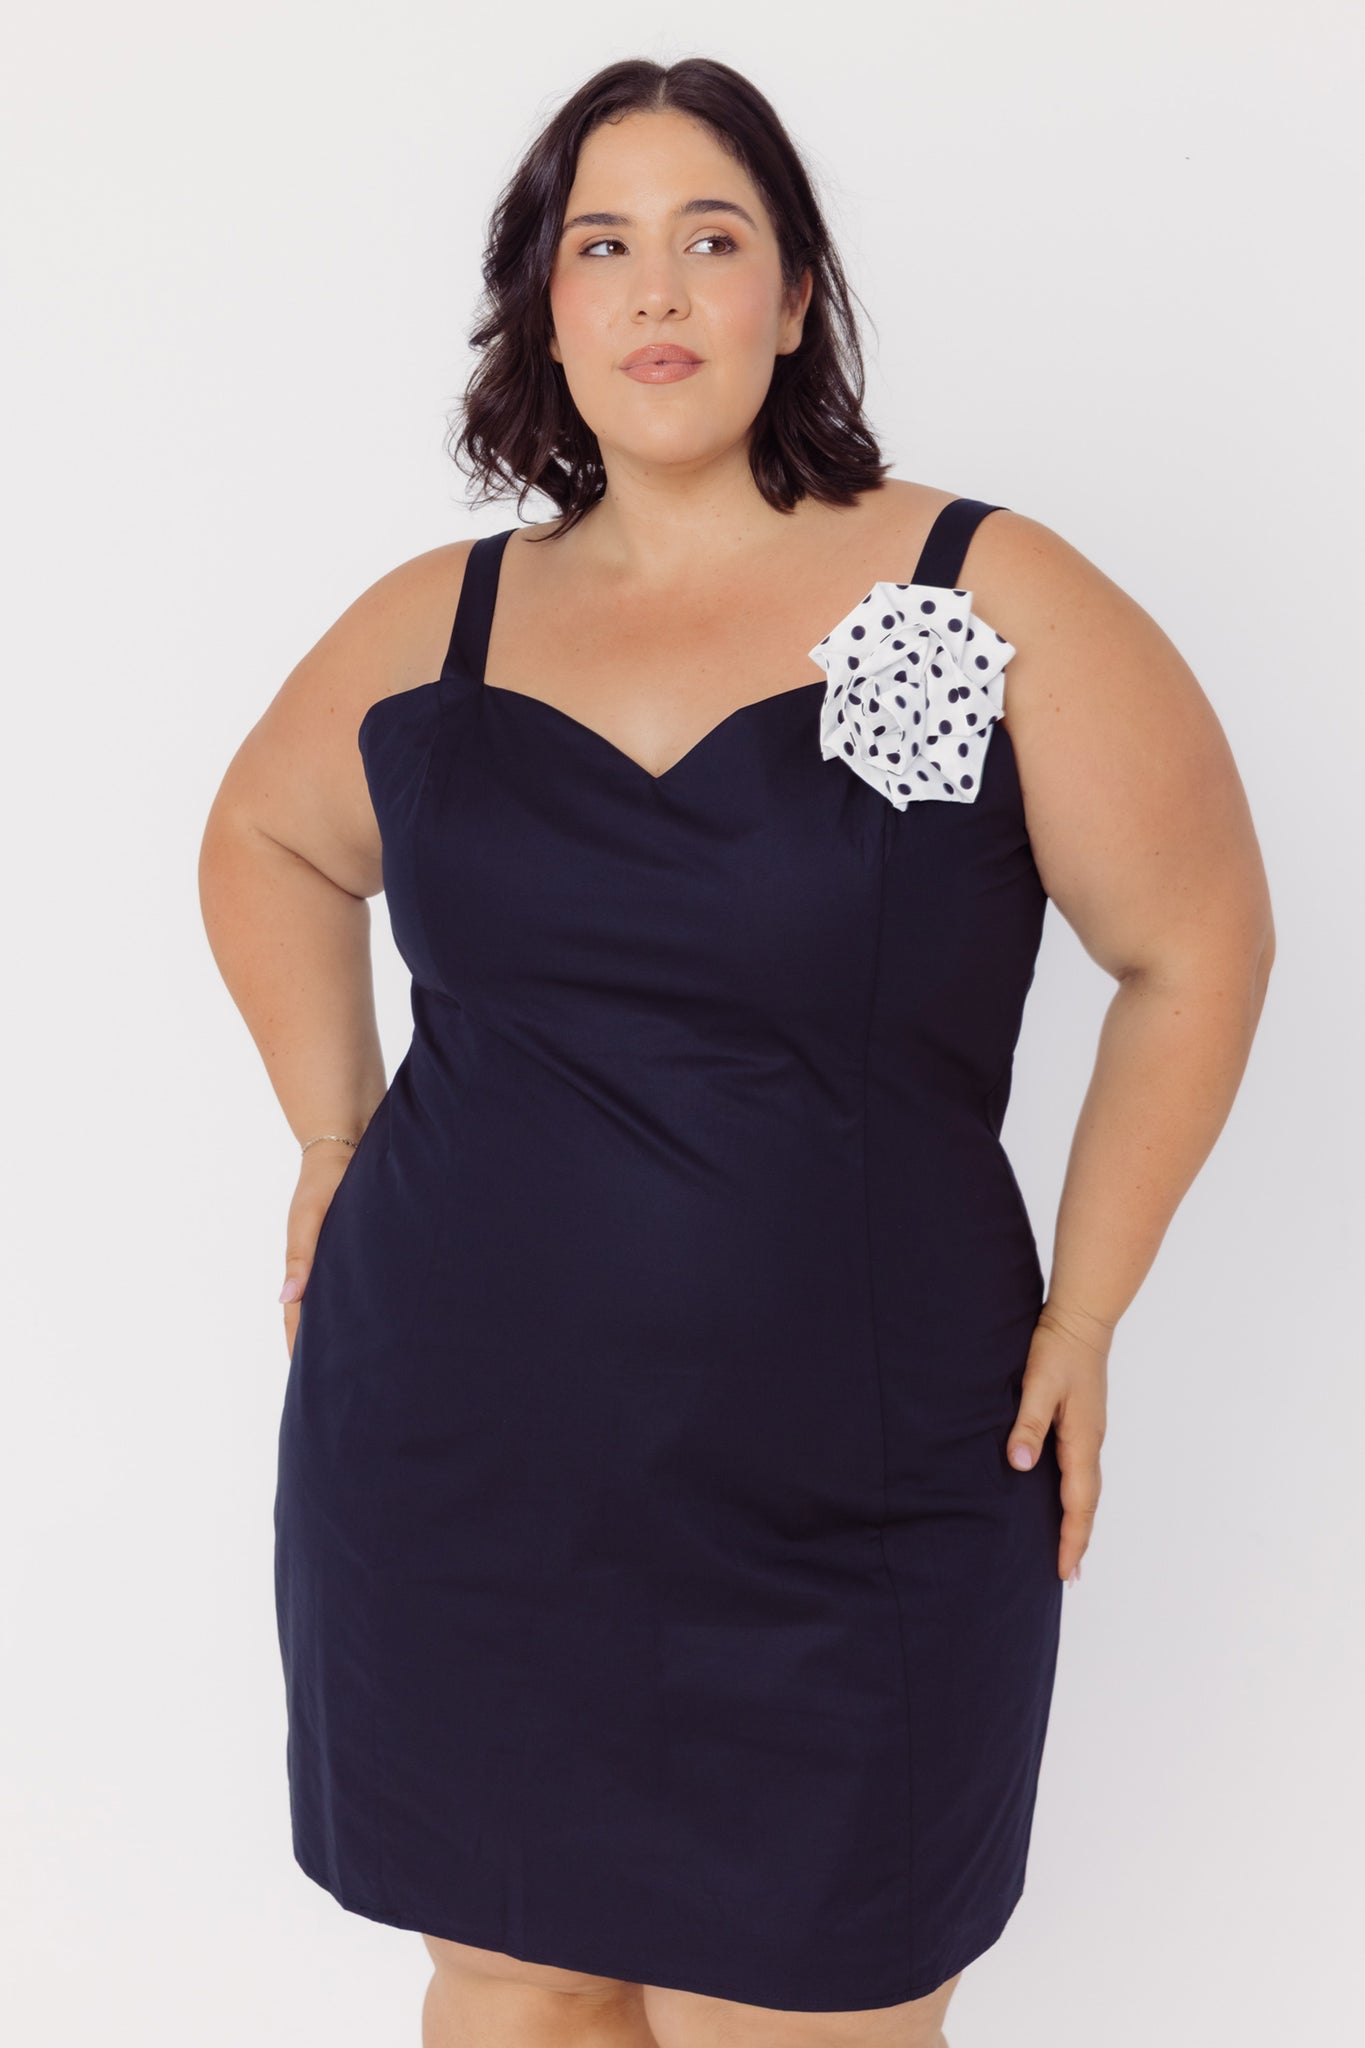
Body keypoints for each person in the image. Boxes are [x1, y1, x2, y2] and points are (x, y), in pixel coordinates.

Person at [198, 54, 1275, 2048]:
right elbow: (261, 835)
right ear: (545, 306)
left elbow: (1192, 941)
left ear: (794, 298)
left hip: (841, 1493)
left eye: (713, 240)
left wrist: (1089, 1302)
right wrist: (327, 1134)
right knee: (509, 1989)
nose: (656, 292)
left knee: (799, 2005)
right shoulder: (439, 625)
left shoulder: (954, 599)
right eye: (599, 247)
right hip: (453, 1465)